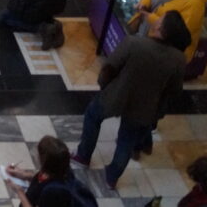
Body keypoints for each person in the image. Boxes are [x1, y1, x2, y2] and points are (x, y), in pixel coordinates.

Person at [74, 10, 189, 189]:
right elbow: (174, 90)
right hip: (145, 106)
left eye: (160, 18)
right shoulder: (178, 59)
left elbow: (110, 67)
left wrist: (104, 85)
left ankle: (83, 155)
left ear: (160, 27)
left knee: (92, 116)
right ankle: (111, 178)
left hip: (116, 95)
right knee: (126, 141)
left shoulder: (134, 43)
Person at [3, 135, 97, 207]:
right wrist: (24, 175)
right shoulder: (62, 168)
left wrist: (20, 192)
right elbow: (46, 180)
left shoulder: (52, 192)